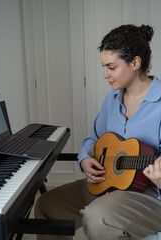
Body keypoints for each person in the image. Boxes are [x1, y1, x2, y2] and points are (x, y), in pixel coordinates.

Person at [34, 24, 161, 240]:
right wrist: (85, 160)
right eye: (103, 67)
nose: (104, 75)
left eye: (111, 67)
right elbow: (93, 138)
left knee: (97, 217)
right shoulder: (112, 100)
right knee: (48, 206)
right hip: (107, 182)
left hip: (150, 194)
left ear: (135, 63)